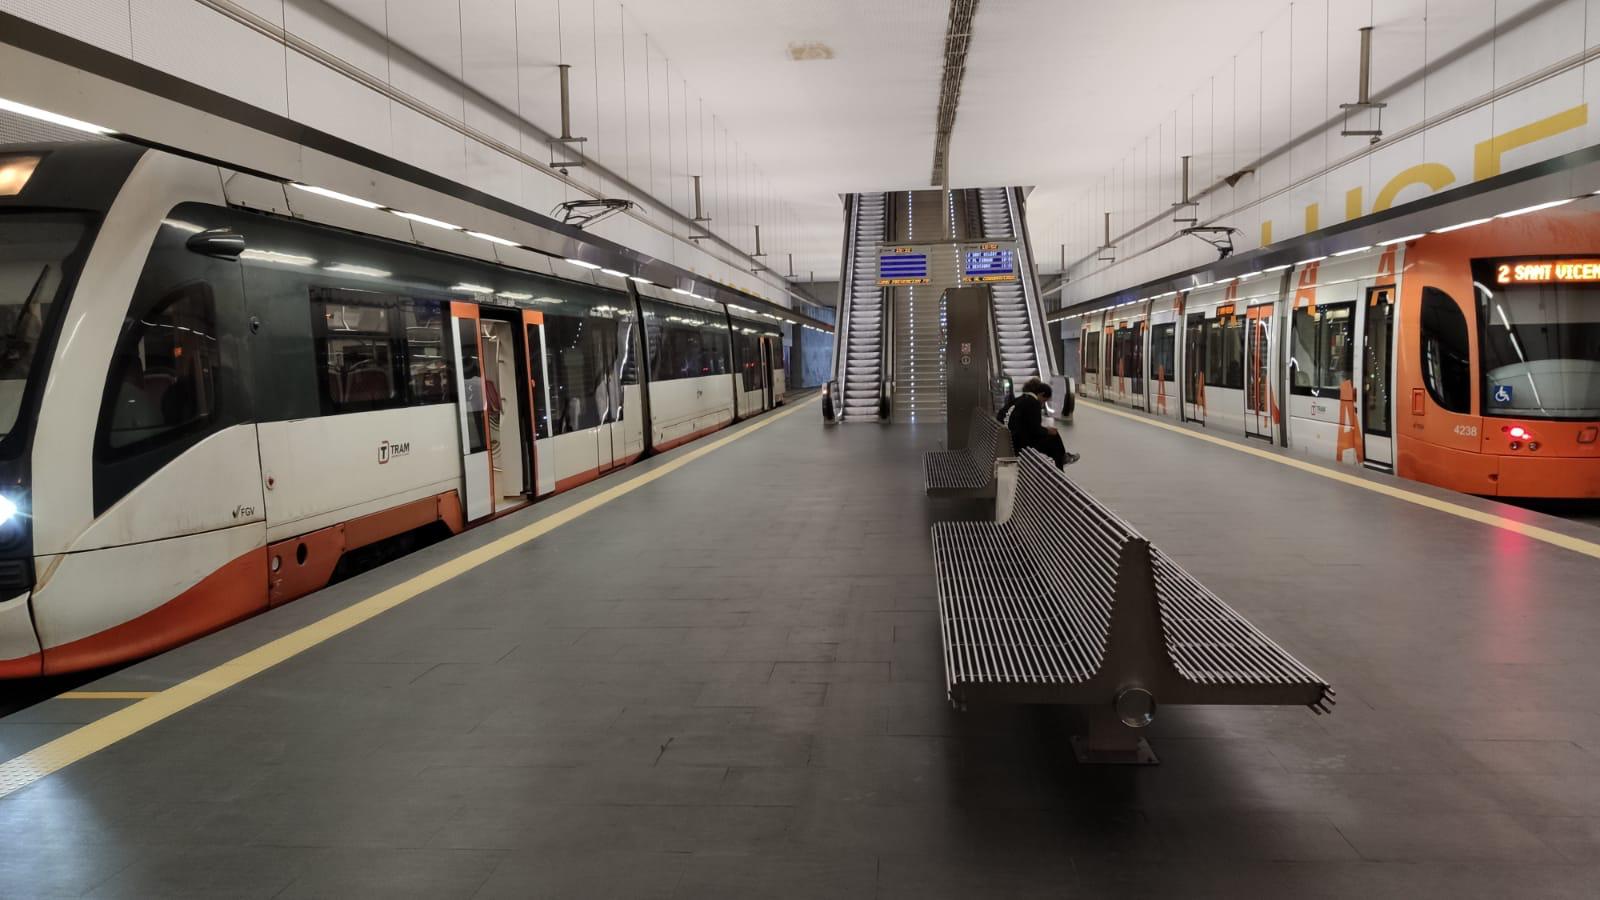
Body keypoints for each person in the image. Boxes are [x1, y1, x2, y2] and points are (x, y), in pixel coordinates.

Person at [1006, 380, 1079, 468]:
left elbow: (1028, 425)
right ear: (1041, 394)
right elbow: (1035, 430)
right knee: (1053, 438)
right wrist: (1047, 431)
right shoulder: (1033, 403)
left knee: (1051, 436)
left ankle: (1062, 459)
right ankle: (1060, 465)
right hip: (1020, 444)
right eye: (1044, 401)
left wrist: (1045, 430)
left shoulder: (1018, 400)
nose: (1043, 404)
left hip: (1011, 439)